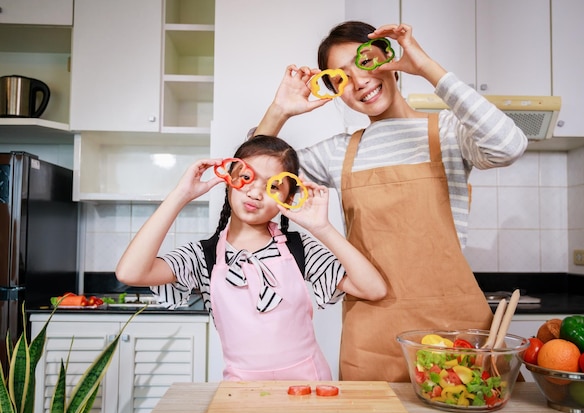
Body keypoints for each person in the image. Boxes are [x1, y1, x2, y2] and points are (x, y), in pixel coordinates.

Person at [252, 21, 528, 382]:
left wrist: (426, 66)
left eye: (365, 61)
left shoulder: (447, 132)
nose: (359, 81)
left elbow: (509, 146)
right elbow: (254, 180)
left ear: (390, 57)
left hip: (454, 328)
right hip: (373, 334)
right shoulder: (340, 152)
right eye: (342, 77)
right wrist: (280, 110)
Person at [115, 135, 386, 381]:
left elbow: (373, 288)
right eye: (246, 178)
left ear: (289, 197)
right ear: (228, 180)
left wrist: (322, 228)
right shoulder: (203, 256)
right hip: (241, 392)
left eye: (272, 187)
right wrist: (179, 196)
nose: (256, 193)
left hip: (309, 388)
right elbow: (131, 273)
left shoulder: (298, 248)